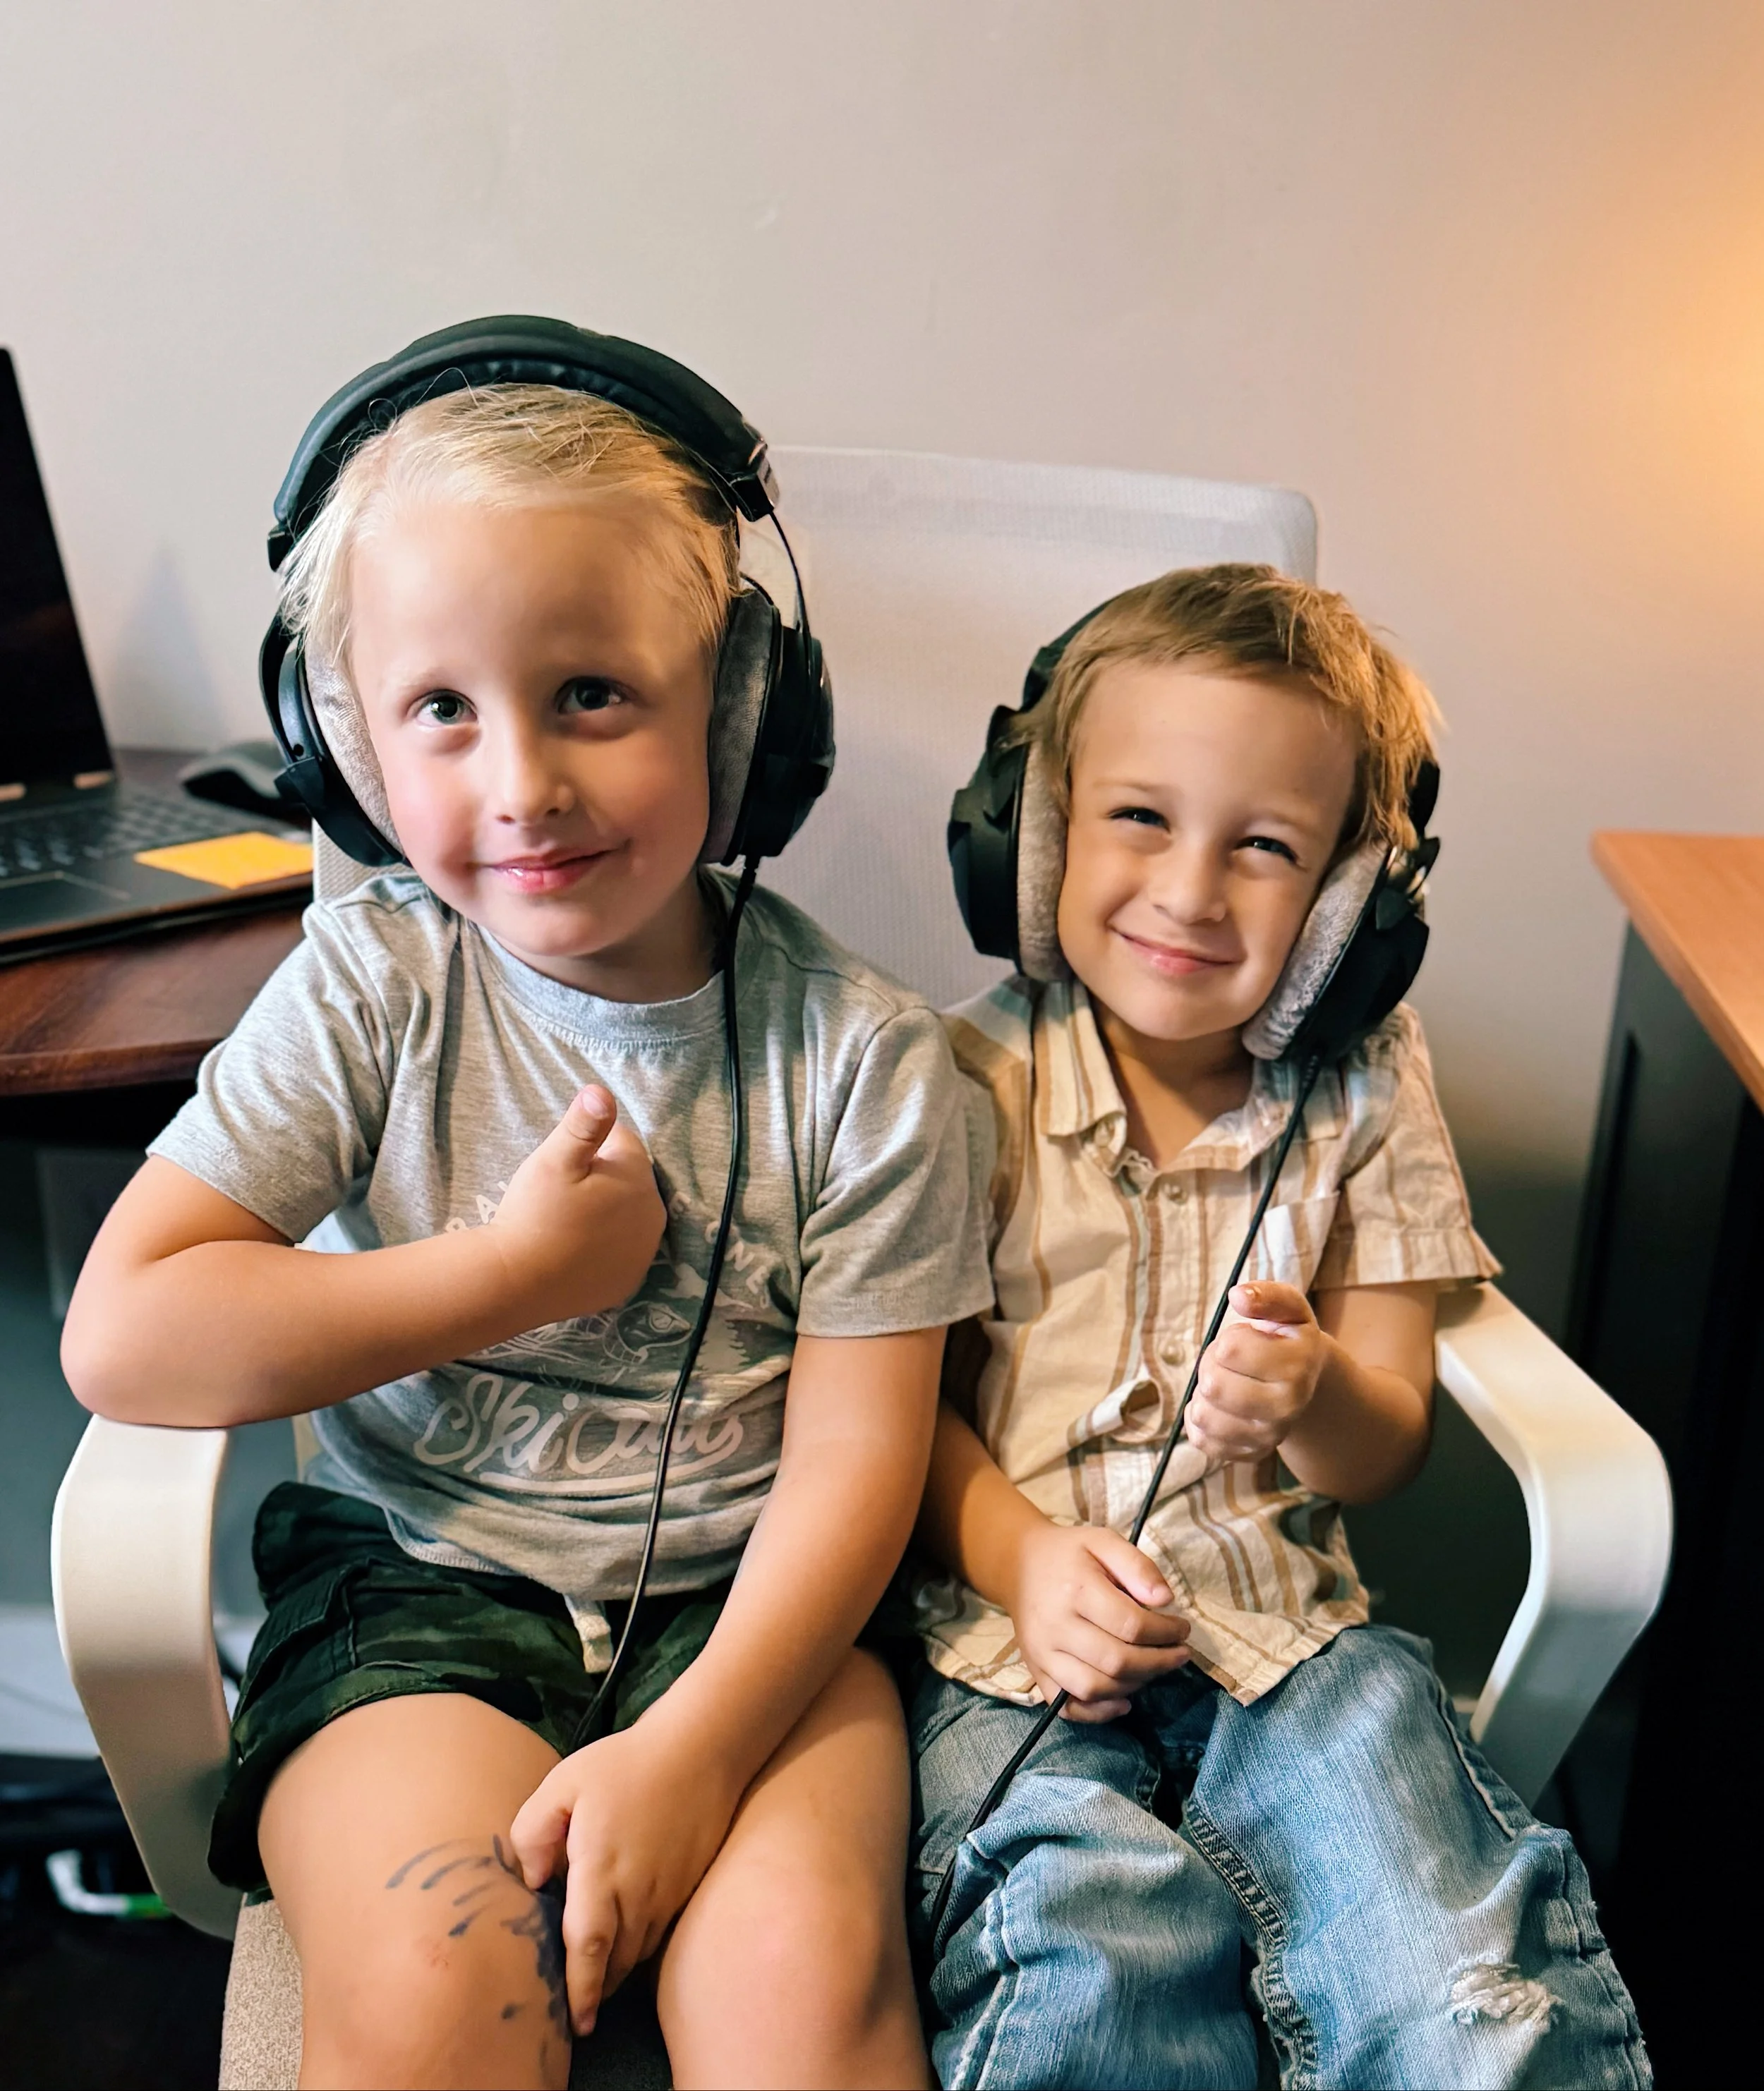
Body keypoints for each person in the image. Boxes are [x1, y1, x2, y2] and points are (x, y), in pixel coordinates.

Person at [63, 373, 991, 2090]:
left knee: (799, 2005)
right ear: (344, 744)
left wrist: (696, 1756)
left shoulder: (866, 1061)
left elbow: (861, 1469)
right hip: (419, 1589)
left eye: (590, 694)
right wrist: (509, 1275)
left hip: (753, 1619)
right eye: (440, 708)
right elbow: (124, 1334)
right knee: (439, 1991)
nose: (525, 780)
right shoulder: (369, 986)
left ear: (736, 718)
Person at [906, 565, 1648, 2090]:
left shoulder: (1368, 1089)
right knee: (1092, 1956)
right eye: (1135, 818)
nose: (1187, 892)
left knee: (1460, 1983)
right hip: (1001, 1652)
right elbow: (892, 1414)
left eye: (1263, 847)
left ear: (1347, 908)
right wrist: (1019, 1557)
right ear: (1030, 828)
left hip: (1295, 1642)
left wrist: (1312, 1389)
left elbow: (1383, 1442)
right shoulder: (947, 1082)